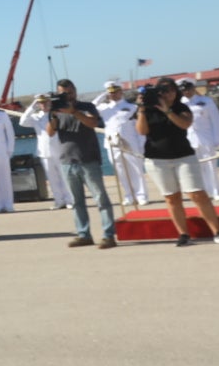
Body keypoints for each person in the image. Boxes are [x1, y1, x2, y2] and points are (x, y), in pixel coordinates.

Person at [136, 78, 219, 246]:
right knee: (171, 197)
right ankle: (183, 234)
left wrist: (167, 111)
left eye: (170, 90)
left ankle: (218, 232)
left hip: (184, 157)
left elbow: (184, 124)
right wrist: (141, 109)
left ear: (176, 92)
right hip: (157, 160)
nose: (167, 94)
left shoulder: (182, 107)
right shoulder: (148, 109)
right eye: (163, 91)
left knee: (198, 194)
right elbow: (142, 131)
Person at [44, 80, 118, 249]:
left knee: (101, 198)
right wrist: (54, 114)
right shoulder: (56, 110)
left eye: (70, 92)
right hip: (67, 161)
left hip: (88, 159)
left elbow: (93, 123)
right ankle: (83, 234)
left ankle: (108, 235)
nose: (67, 96)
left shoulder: (87, 106)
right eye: (63, 93)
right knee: (77, 201)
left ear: (75, 91)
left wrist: (74, 112)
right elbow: (50, 132)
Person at [95, 83, 148, 207]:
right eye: (110, 92)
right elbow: (91, 106)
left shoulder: (132, 107)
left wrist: (141, 144)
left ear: (121, 92)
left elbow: (138, 126)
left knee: (136, 169)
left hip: (131, 142)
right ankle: (129, 196)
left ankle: (141, 196)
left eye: (115, 92)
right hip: (113, 143)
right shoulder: (104, 108)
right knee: (120, 171)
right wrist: (103, 95)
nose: (113, 95)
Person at [17, 94, 73, 211]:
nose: (44, 105)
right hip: (44, 151)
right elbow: (22, 122)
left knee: (64, 177)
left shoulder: (57, 114)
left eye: (46, 102)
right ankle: (59, 201)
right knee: (52, 178)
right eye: (41, 103)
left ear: (50, 102)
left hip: (59, 149)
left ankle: (69, 200)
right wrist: (32, 106)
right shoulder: (36, 117)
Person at [180, 80, 219, 201]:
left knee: (211, 166)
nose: (186, 92)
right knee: (194, 168)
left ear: (193, 88)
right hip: (188, 139)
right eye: (184, 90)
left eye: (188, 89)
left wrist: (217, 139)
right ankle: (201, 192)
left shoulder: (206, 101)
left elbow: (216, 120)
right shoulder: (180, 103)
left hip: (206, 137)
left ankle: (216, 191)